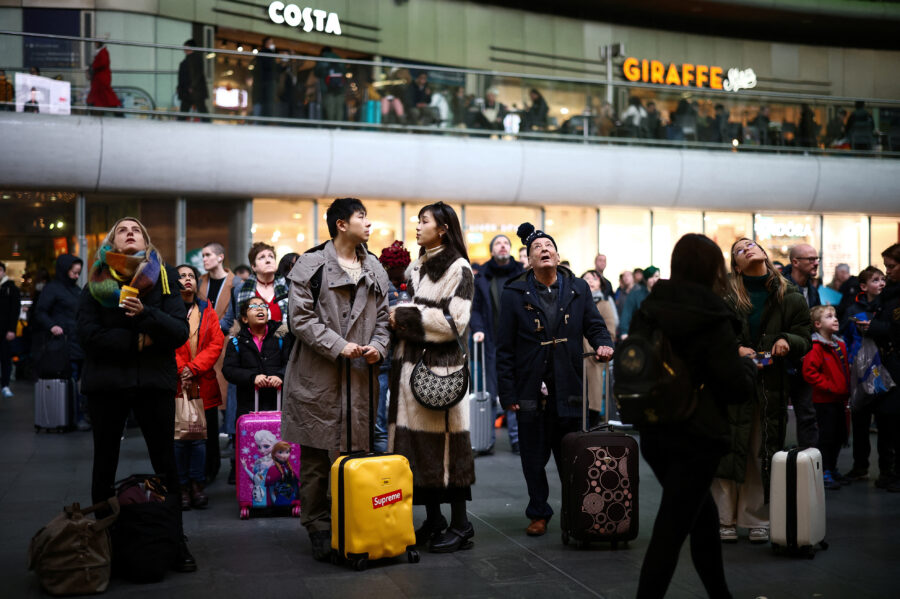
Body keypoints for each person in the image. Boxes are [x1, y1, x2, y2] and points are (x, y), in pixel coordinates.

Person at [632, 234, 756, 599]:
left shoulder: (650, 308)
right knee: (670, 533)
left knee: (701, 522)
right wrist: (747, 367)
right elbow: (734, 386)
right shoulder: (713, 315)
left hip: (655, 430)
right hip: (698, 437)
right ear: (714, 269)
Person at [76, 217, 195, 572]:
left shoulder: (164, 277)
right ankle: (103, 541)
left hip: (152, 384)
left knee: (165, 464)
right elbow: (87, 336)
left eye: (136, 229)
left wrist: (146, 314)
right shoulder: (96, 281)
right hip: (107, 386)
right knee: (104, 464)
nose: (130, 232)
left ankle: (176, 540)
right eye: (122, 230)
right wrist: (138, 341)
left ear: (146, 240)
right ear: (111, 241)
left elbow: (177, 332)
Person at [281, 197, 390, 561]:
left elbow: (385, 319)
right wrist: (338, 345)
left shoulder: (374, 267)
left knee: (356, 453)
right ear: (341, 224)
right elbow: (300, 319)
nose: (369, 223)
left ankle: (353, 519)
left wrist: (378, 346)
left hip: (360, 377)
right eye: (362, 216)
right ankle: (318, 525)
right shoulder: (311, 265)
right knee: (315, 456)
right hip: (318, 374)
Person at [496, 222, 614, 537]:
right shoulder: (514, 293)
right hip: (530, 387)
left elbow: (595, 325)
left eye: (549, 246)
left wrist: (605, 344)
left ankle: (577, 509)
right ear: (529, 260)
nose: (544, 250)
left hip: (569, 384)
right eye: (537, 248)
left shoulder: (577, 288)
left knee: (572, 456)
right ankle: (539, 513)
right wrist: (508, 394)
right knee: (533, 458)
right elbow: (504, 348)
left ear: (558, 256)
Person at [388, 202, 476, 552]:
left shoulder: (459, 267)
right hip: (408, 368)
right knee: (417, 448)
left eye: (424, 221)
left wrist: (403, 316)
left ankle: (461, 524)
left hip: (438, 371)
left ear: (442, 228)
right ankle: (435, 519)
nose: (418, 226)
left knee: (446, 448)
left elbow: (455, 321)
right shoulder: (417, 265)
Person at [712, 238, 811, 545]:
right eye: (739, 250)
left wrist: (787, 341)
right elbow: (711, 335)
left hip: (770, 385)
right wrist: (735, 348)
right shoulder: (725, 295)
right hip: (731, 382)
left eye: (750, 245)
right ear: (736, 266)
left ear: (764, 253)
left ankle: (756, 518)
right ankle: (723, 518)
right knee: (726, 452)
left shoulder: (789, 294)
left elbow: (803, 336)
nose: (747, 249)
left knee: (760, 451)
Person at [174, 264, 224, 509]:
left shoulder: (207, 309)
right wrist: (182, 369)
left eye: (191, 276)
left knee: (200, 440)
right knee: (180, 441)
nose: (187, 280)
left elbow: (216, 343)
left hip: (201, 382)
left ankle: (197, 484)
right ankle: (182, 487)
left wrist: (192, 368)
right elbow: (167, 342)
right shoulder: (169, 310)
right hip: (177, 385)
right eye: (181, 276)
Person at [471, 234, 525, 454]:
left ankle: (518, 440)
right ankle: (486, 440)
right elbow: (474, 308)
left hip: (519, 341)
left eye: (506, 243)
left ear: (509, 249)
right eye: (498, 244)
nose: (502, 246)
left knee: (517, 390)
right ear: (492, 250)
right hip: (492, 341)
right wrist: (478, 329)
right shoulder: (482, 275)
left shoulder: (522, 273)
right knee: (491, 392)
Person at [841, 266, 891, 485]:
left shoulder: (888, 307)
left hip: (884, 370)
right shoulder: (853, 308)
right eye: (876, 280)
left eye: (883, 280)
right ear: (863, 286)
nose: (881, 284)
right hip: (860, 371)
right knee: (860, 421)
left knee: (885, 421)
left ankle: (886, 469)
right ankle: (860, 466)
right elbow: (845, 335)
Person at [33, 254, 87, 427]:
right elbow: (40, 312)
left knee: (78, 381)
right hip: (62, 344)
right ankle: (74, 418)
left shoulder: (76, 289)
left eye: (78, 273)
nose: (76, 276)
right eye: (73, 272)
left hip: (78, 342)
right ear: (65, 270)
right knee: (70, 381)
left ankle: (78, 416)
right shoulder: (53, 288)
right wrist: (52, 326)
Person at [803, 305, 850, 490]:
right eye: (829, 317)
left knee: (839, 436)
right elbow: (809, 372)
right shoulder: (816, 347)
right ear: (817, 324)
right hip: (824, 401)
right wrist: (830, 386)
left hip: (839, 400)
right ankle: (823, 471)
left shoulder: (840, 344)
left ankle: (832, 467)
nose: (836, 319)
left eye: (836, 316)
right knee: (826, 437)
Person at [781, 244, 821, 450]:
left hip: (805, 361)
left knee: (807, 413)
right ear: (795, 262)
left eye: (817, 258)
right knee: (778, 417)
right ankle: (773, 470)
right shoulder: (780, 287)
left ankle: (810, 467)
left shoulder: (812, 290)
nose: (816, 262)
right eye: (810, 259)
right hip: (782, 361)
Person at [867, 244, 900, 491]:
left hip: (896, 364)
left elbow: (894, 329)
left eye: (892, 266)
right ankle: (888, 471)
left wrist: (874, 327)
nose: (887, 272)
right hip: (885, 363)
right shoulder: (889, 293)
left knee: (893, 418)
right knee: (885, 420)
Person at [375, 241, 411, 453]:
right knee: (384, 415)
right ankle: (386, 454)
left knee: (389, 413)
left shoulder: (407, 287)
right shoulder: (389, 288)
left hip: (396, 356)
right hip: (388, 355)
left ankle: (390, 452)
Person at [619, 265, 660, 339]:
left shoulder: (663, 294)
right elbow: (626, 313)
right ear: (646, 279)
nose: (654, 280)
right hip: (640, 335)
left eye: (657, 276)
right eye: (651, 277)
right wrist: (624, 332)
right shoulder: (635, 294)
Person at [0, 261, 21, 398]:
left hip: (5, 330)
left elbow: (15, 310)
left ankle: (5, 385)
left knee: (5, 358)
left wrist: (12, 329)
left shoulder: (11, 288)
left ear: (3, 272)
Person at [86, 39, 122, 114]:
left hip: (101, 78)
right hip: (100, 78)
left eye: (96, 43)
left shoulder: (102, 52)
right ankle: (111, 108)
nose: (95, 44)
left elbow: (102, 63)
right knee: (103, 95)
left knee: (104, 94)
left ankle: (113, 108)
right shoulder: (101, 52)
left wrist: (93, 66)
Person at [176, 39, 209, 121]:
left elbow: (197, 74)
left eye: (186, 47)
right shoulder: (193, 59)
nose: (185, 49)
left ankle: (209, 126)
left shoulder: (194, 59)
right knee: (200, 110)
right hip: (190, 90)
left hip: (192, 90)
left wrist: (192, 86)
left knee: (199, 109)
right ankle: (209, 126)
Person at [314, 46, 346, 122]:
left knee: (330, 108)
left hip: (327, 88)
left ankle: (331, 125)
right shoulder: (339, 59)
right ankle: (339, 126)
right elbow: (344, 72)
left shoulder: (322, 59)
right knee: (339, 108)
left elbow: (316, 73)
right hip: (340, 88)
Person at [252, 37, 278, 119]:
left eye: (272, 43)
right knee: (264, 100)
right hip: (264, 81)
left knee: (267, 100)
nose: (272, 44)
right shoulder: (264, 53)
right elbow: (267, 66)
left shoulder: (270, 54)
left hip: (266, 80)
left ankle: (265, 119)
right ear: (266, 43)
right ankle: (263, 119)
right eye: (270, 42)